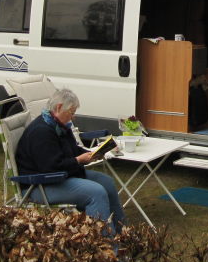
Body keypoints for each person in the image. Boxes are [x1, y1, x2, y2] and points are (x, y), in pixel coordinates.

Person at [14, 87, 126, 234]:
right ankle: (104, 248)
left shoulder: (59, 126)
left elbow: (72, 150)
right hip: (39, 184)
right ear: (59, 107)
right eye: (71, 113)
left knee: (107, 183)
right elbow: (51, 167)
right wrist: (78, 161)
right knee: (96, 193)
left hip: (62, 175)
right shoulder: (41, 132)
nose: (73, 117)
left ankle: (122, 235)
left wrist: (92, 153)